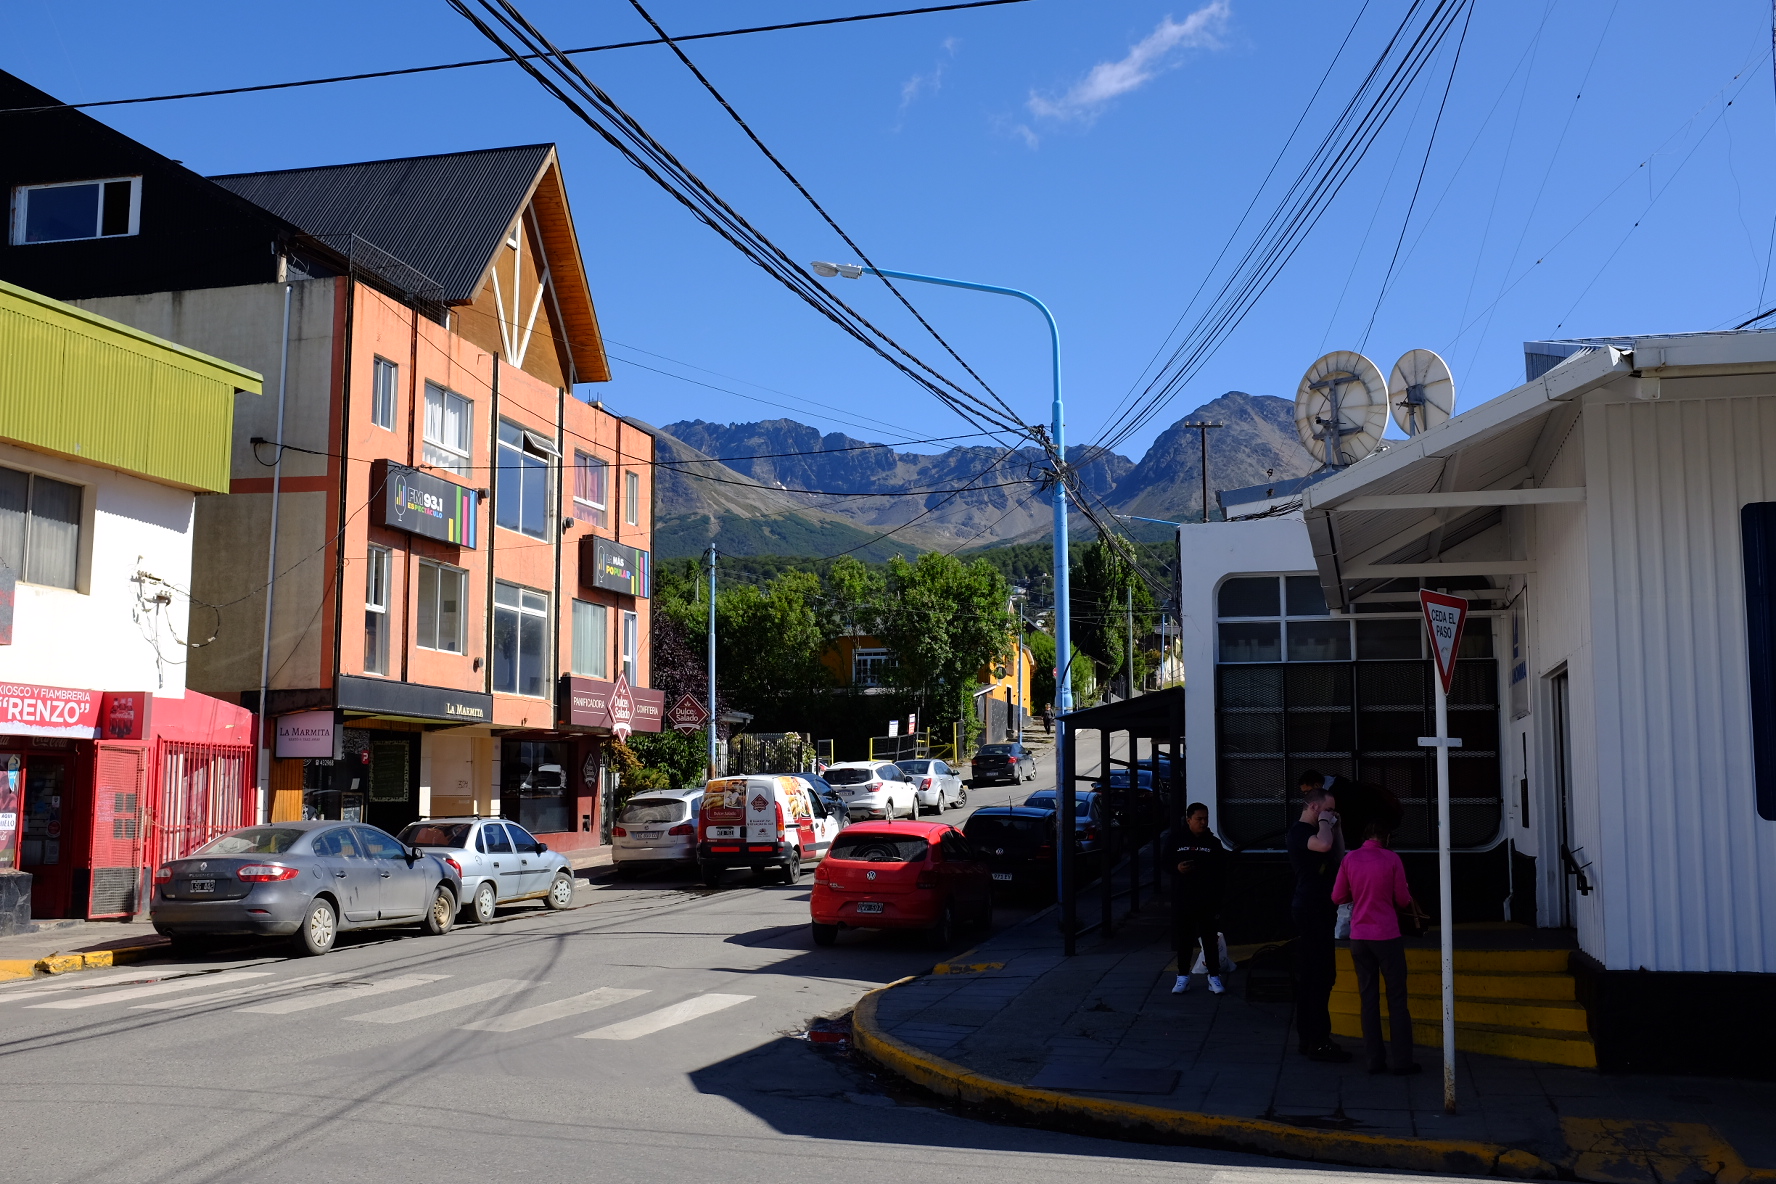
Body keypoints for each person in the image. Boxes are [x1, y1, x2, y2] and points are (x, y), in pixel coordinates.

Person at [1332, 822, 1422, 1075]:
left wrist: (1358, 894)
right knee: (1396, 999)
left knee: (1368, 998)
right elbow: (1403, 900)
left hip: (1359, 937)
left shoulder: (1350, 860)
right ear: (1386, 837)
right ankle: (1402, 1061)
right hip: (1387, 935)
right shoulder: (1392, 859)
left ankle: (1374, 1060)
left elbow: (1337, 897)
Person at [1287, 771, 1350, 1062]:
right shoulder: (1300, 832)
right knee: (1317, 975)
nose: (1331, 815)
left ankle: (1313, 1038)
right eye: (1327, 809)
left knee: (1322, 975)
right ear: (1314, 807)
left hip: (1323, 907)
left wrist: (1335, 826)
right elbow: (1323, 847)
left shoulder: (1323, 829)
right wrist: (1325, 823)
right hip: (1310, 908)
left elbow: (1338, 854)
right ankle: (1317, 1039)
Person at [1169, 802, 1230, 994]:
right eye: (1199, 819)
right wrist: (1177, 868)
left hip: (1207, 899)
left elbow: (1222, 868)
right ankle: (1182, 977)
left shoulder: (1213, 843)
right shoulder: (1176, 840)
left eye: (1206, 818)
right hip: (1183, 897)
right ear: (1189, 820)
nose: (1203, 822)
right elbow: (1164, 862)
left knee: (1209, 940)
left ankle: (1214, 977)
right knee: (1184, 939)